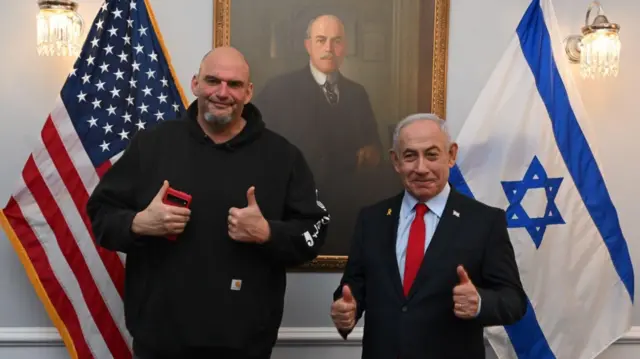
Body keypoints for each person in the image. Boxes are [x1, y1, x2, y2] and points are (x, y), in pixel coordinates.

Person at [86, 46, 330, 359]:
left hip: (245, 344)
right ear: (195, 84)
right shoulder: (152, 145)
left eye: (235, 84)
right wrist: (138, 224)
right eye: (213, 80)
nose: (222, 92)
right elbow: (100, 214)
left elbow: (314, 231)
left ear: (248, 92)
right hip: (160, 341)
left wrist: (268, 233)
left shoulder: (282, 156)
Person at [329, 113, 527, 359]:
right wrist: (347, 309)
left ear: (451, 155)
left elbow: (514, 301)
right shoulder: (371, 220)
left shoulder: (484, 222)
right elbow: (353, 287)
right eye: (410, 156)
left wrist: (479, 302)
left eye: (432, 155)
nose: (421, 168)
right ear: (395, 160)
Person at [252, 14, 387, 255]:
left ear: (344, 47)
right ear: (308, 46)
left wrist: (372, 154)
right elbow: (260, 146)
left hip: (346, 208)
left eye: (336, 41)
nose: (329, 49)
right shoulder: (280, 89)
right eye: (321, 40)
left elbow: (374, 147)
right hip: (296, 209)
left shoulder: (357, 94)